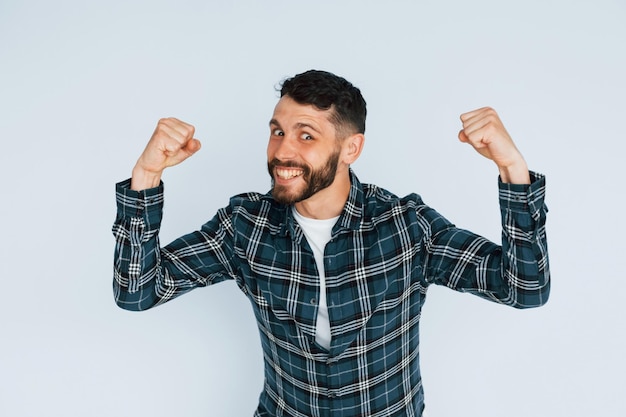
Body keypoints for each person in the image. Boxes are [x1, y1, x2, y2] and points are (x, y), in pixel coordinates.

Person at [112, 69, 550, 416]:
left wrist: (512, 167)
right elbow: (137, 293)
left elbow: (524, 288)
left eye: (307, 136)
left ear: (351, 148)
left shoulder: (406, 226)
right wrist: (147, 177)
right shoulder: (244, 226)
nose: (283, 152)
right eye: (277, 131)